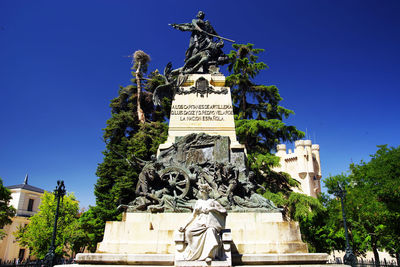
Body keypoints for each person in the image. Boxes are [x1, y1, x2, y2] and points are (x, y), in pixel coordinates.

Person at [179, 183, 227, 262]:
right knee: (189, 232)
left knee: (210, 231)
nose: (201, 191)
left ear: (207, 191)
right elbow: (193, 216)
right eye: (201, 190)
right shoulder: (198, 202)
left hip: (210, 224)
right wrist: (184, 225)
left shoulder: (212, 201)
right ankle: (195, 253)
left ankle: (208, 255)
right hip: (199, 223)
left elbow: (224, 211)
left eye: (203, 189)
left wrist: (212, 209)